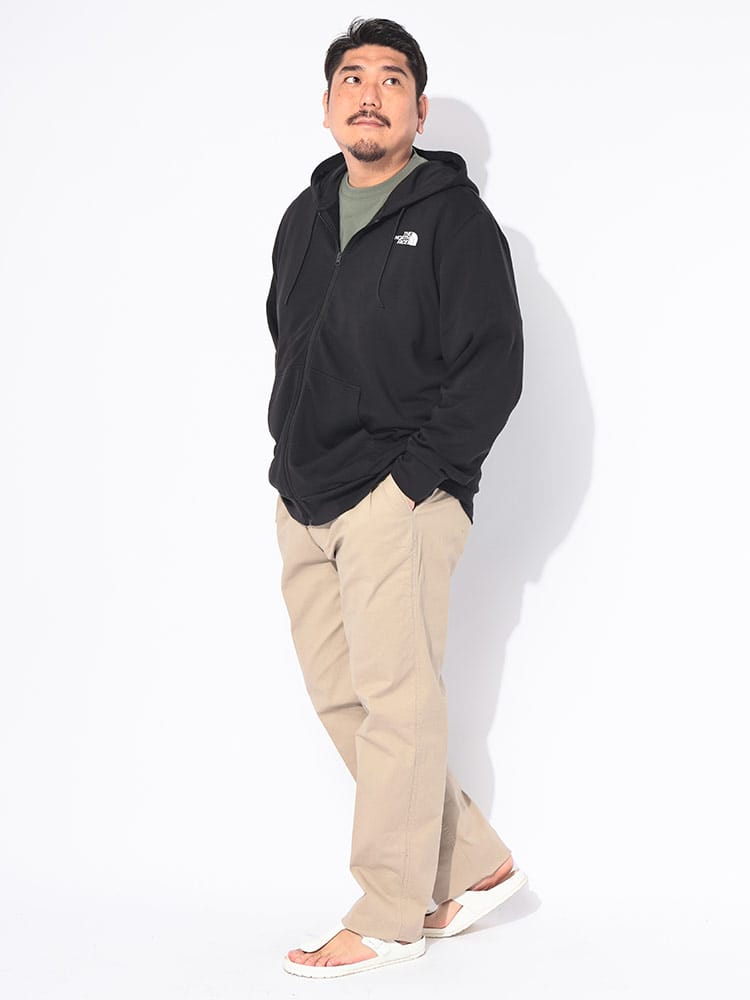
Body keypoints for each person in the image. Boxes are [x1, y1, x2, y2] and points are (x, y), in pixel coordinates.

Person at [266, 17, 526, 979]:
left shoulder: (454, 220)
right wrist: (289, 458)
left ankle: (387, 913)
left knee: (398, 704)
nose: (368, 93)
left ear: (417, 108)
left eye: (390, 79)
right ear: (328, 103)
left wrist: (415, 482)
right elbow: (288, 339)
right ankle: (474, 861)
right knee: (342, 696)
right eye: (351, 77)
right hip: (305, 495)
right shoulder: (304, 216)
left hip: (396, 500)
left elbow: (493, 367)